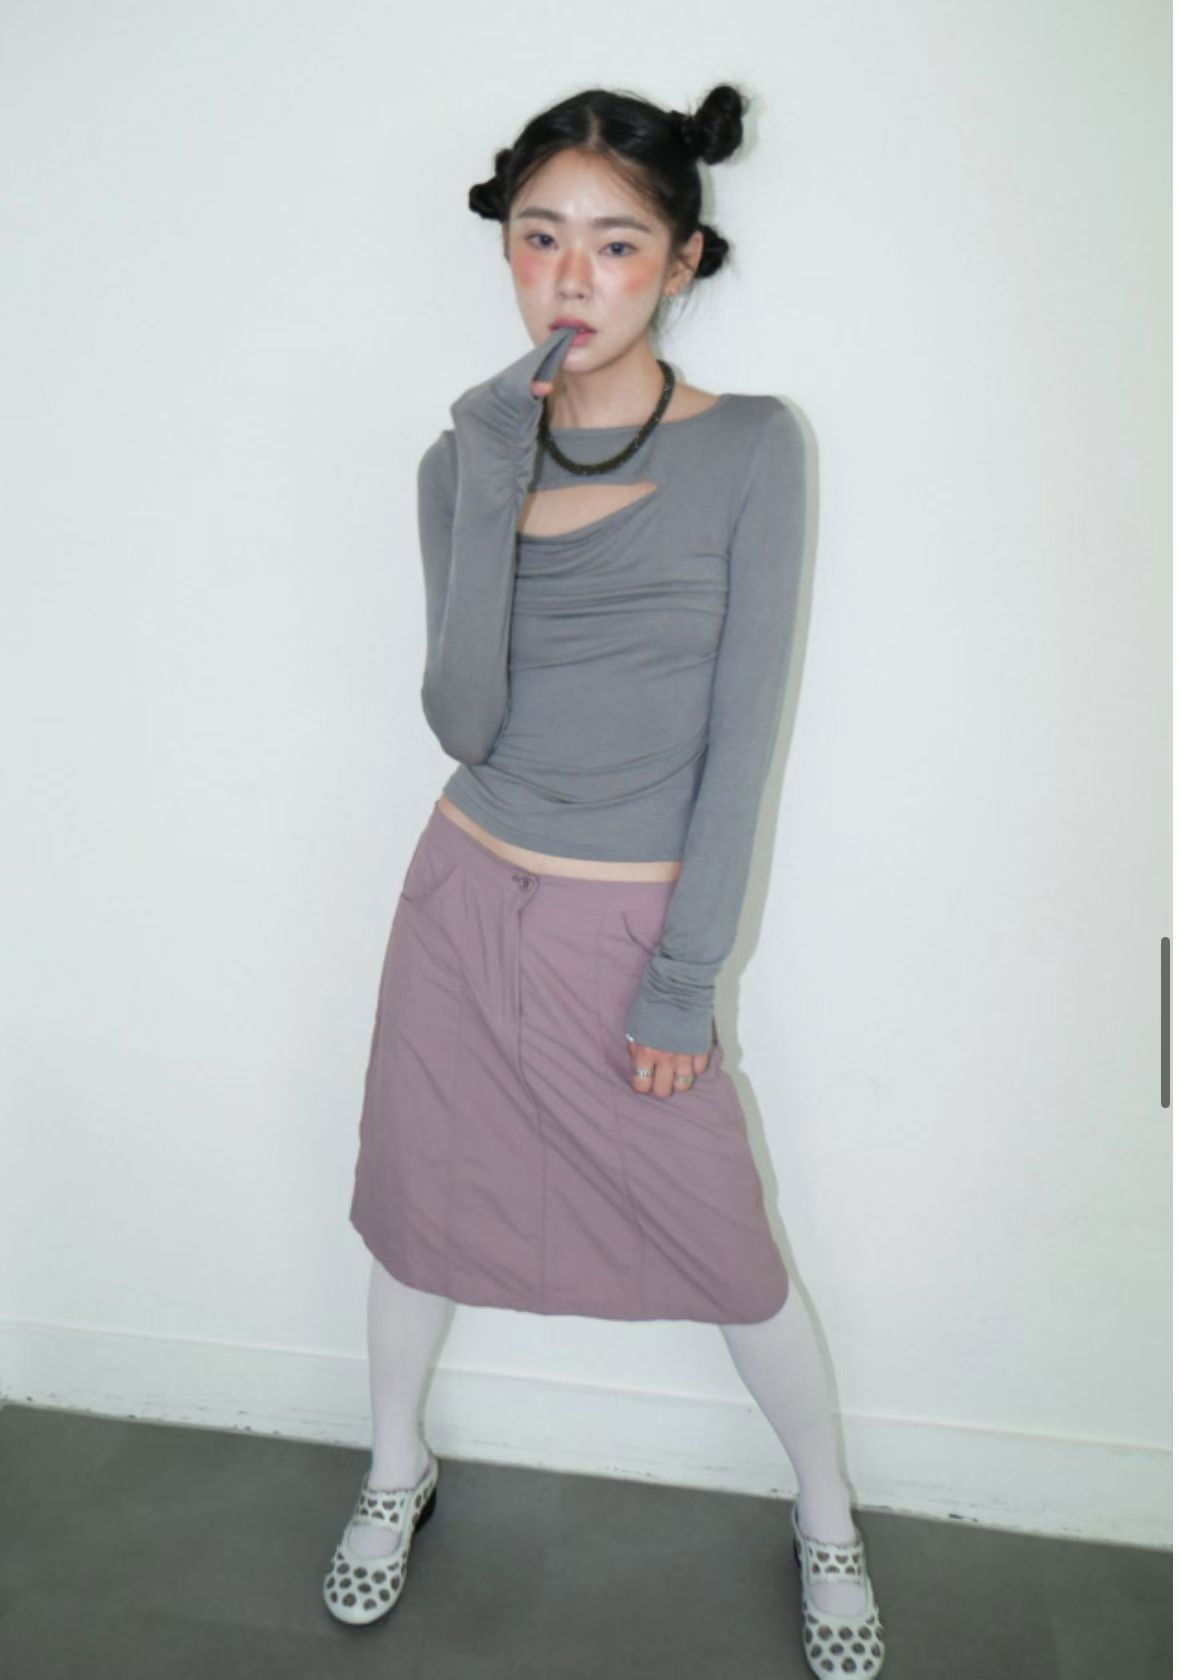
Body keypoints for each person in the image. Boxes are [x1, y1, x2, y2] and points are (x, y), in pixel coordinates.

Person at [323, 83, 886, 1678]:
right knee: (417, 1213)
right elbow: (463, 719)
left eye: (618, 243)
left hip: (628, 926)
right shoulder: (460, 458)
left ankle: (827, 1513)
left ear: (682, 260)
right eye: (541, 238)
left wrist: (683, 979)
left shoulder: (756, 449)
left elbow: (744, 741)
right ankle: (394, 1470)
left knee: (730, 1251)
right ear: (506, 251)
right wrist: (491, 463)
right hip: (460, 901)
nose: (574, 276)